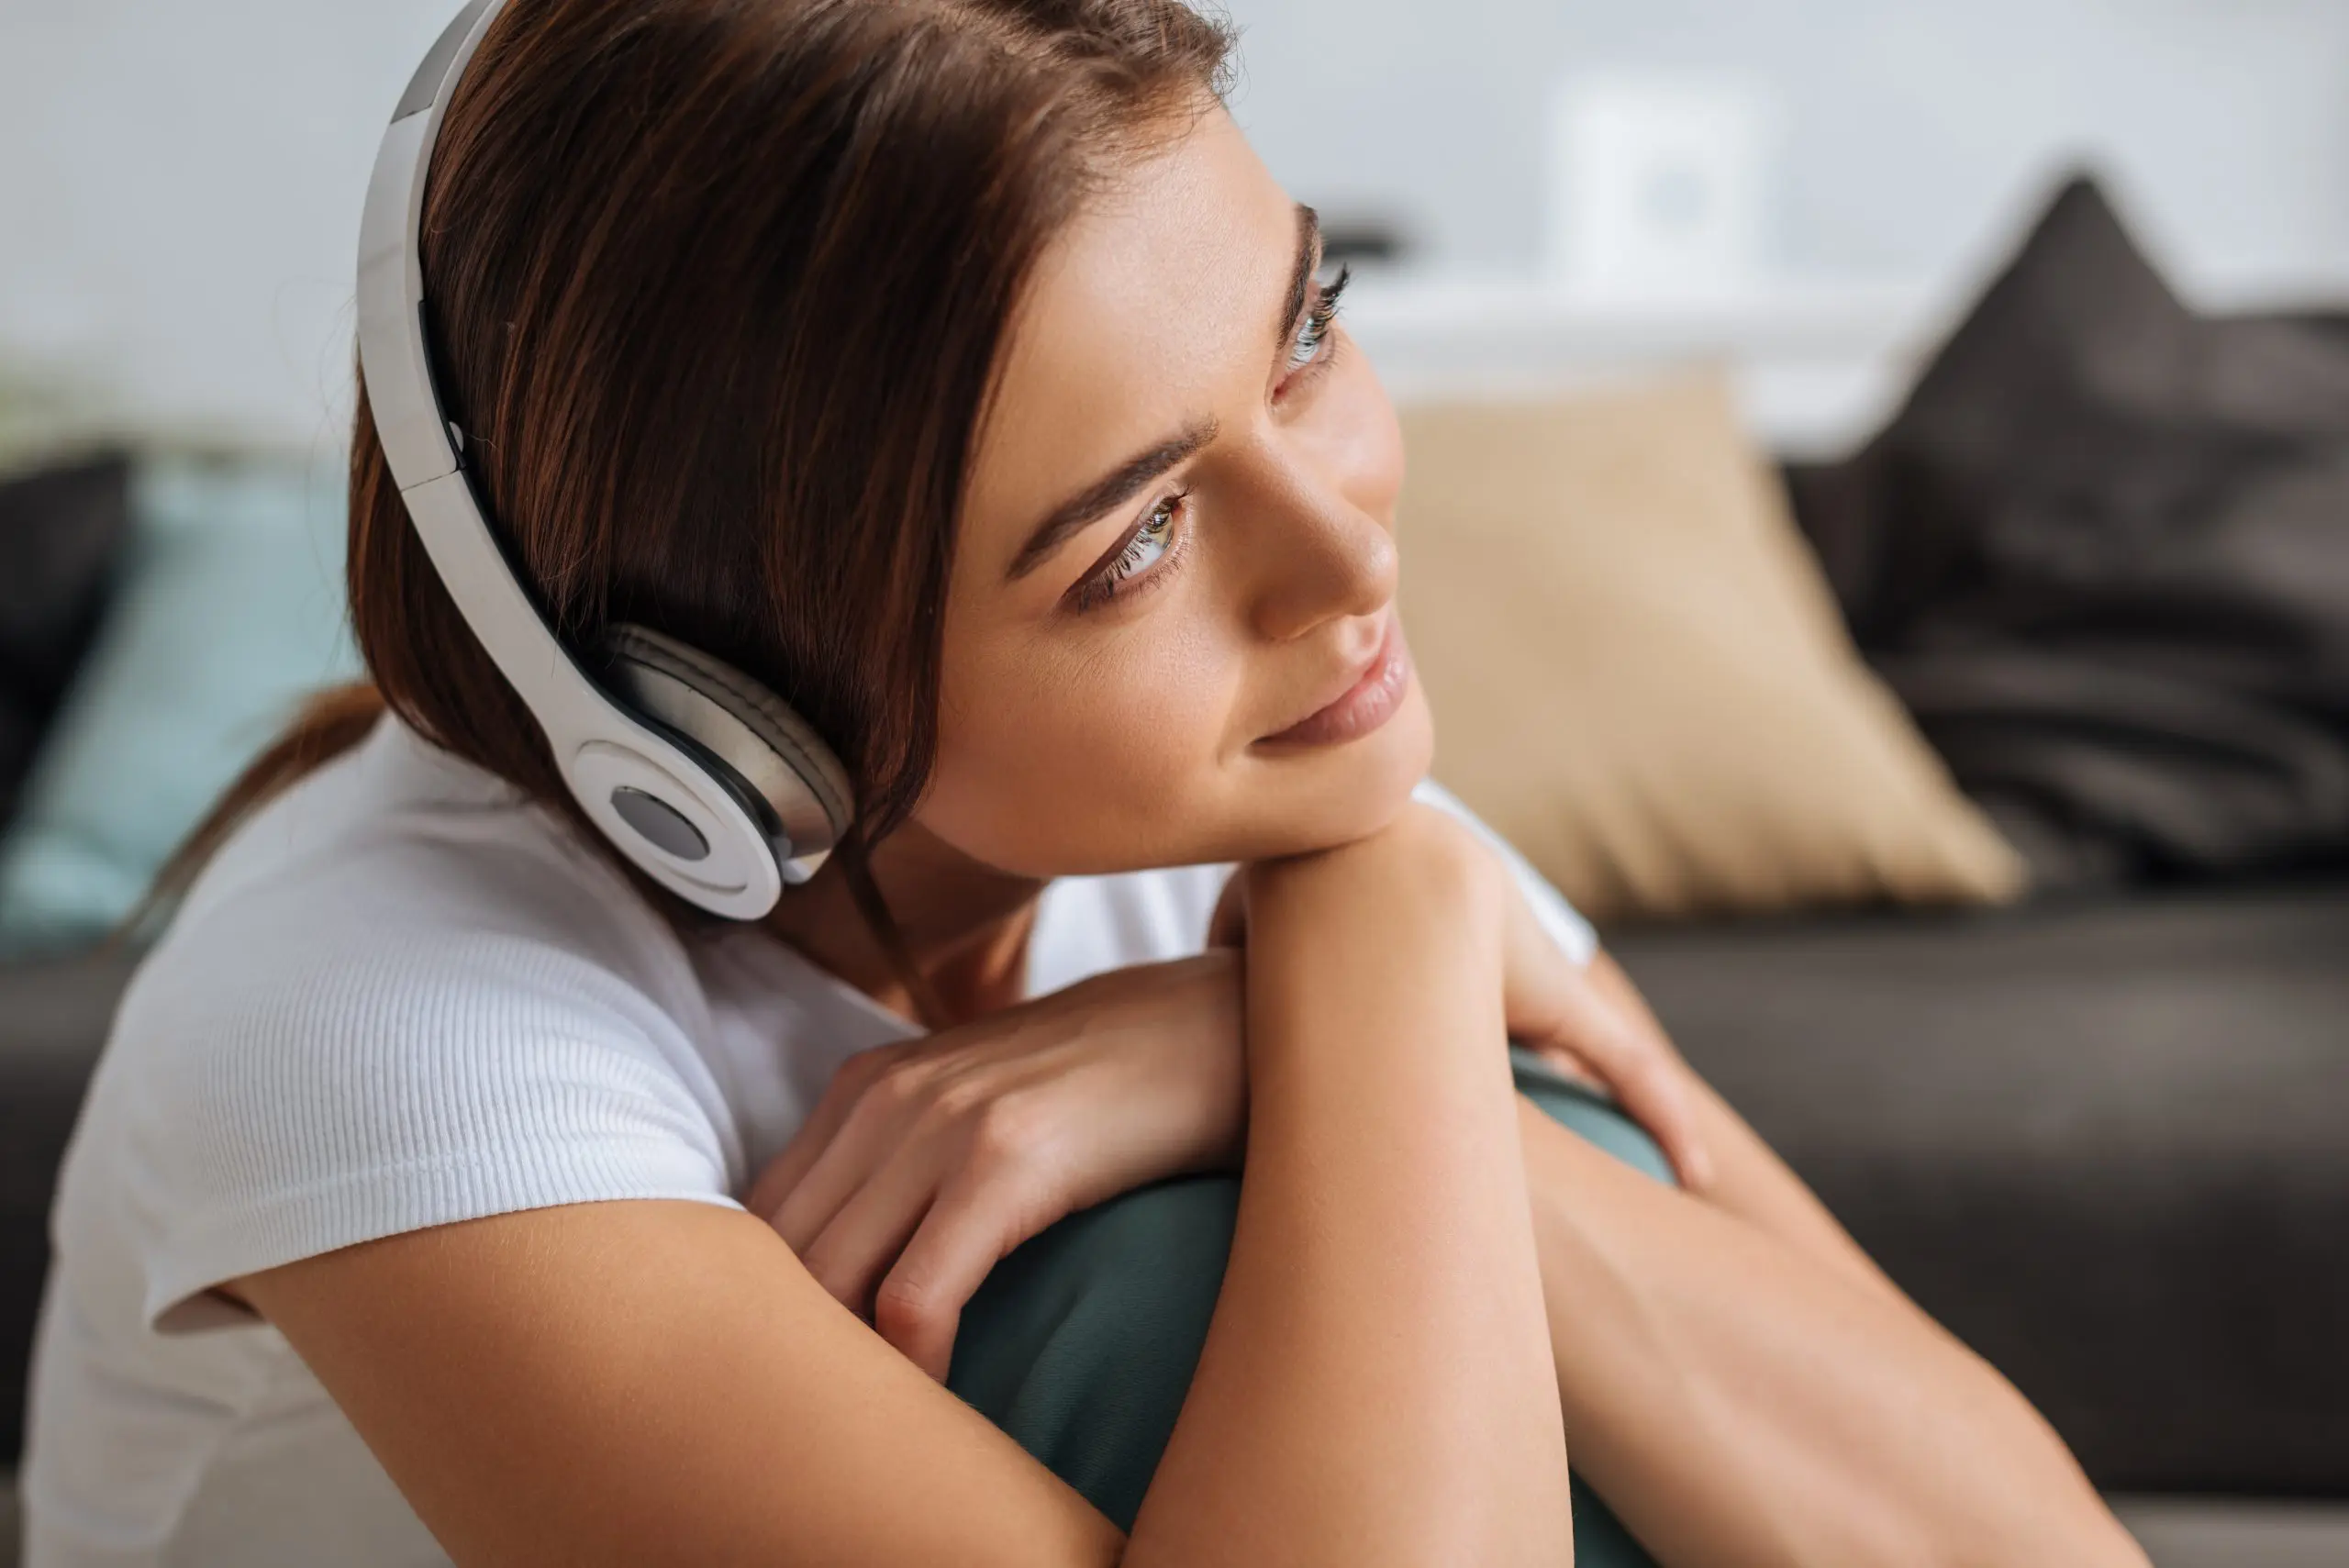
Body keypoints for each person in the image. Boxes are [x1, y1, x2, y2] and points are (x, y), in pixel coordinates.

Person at [22, 2, 2149, 1563]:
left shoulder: (1282, 798)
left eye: (1302, 330)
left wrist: (1316, 995)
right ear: (729, 715)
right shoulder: (373, 1015)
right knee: (1211, 1266)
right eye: (1131, 542)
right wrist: (1389, 946)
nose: (1346, 558)